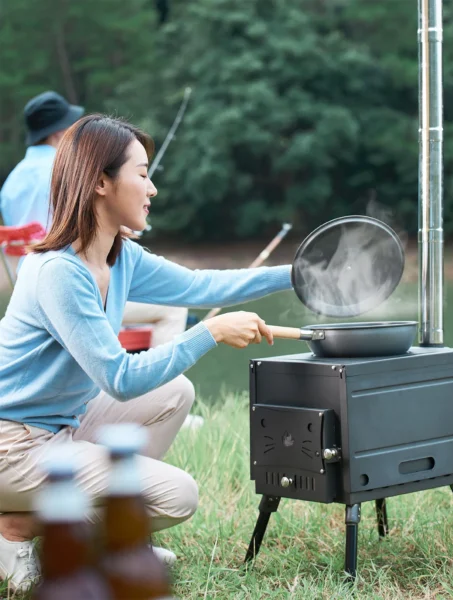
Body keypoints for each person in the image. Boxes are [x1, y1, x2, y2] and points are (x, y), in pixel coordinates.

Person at [0, 114, 292, 593]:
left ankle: (108, 536)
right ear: (99, 182)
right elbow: (120, 379)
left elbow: (202, 285)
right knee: (177, 495)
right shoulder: (57, 271)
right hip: (12, 445)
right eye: (141, 173)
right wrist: (211, 333)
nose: (152, 188)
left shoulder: (120, 255)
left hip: (59, 428)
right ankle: (14, 531)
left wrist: (297, 273)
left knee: (174, 392)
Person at [0, 90, 189, 352]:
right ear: (58, 134)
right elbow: (75, 231)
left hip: (26, 292)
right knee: (174, 307)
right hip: (74, 290)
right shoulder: (68, 171)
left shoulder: (10, 183)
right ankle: (158, 385)